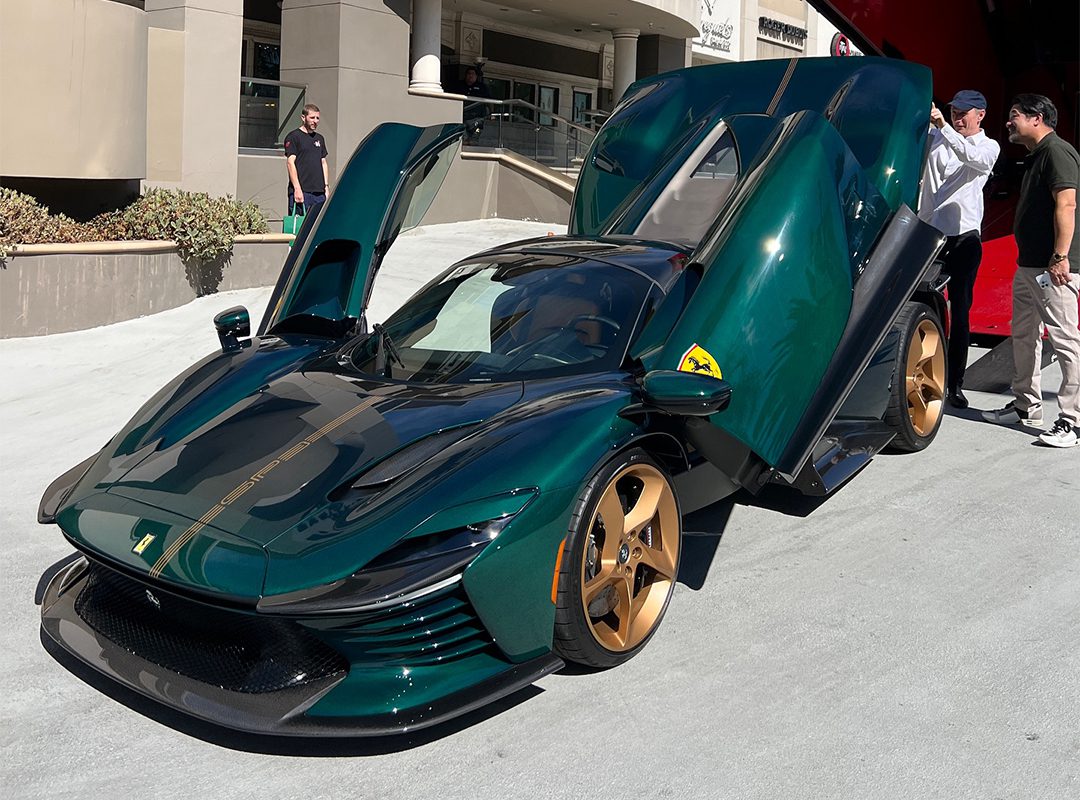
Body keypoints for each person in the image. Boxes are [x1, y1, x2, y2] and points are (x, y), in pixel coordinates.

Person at [982, 94, 1080, 448]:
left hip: (1053, 267)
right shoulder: (1035, 156)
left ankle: (1072, 420)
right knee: (1023, 336)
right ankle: (1026, 405)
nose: (1009, 122)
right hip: (1030, 266)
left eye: (1014, 116)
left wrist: (1060, 257)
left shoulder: (1057, 152)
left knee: (1065, 340)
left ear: (1037, 118)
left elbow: (1067, 203)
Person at [918, 89, 1001, 409]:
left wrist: (944, 128)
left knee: (960, 311)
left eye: (965, 111)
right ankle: (924, 374)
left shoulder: (987, 147)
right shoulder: (937, 137)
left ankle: (955, 383)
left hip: (964, 236)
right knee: (925, 305)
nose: (957, 116)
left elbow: (971, 158)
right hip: (930, 233)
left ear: (980, 115)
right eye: (954, 110)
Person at [284, 104, 329, 217]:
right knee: (301, 228)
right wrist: (297, 189)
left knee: (317, 227)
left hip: (319, 193)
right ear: (303, 118)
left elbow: (323, 162)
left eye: (317, 118)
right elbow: (290, 163)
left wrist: (326, 187)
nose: (315, 121)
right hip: (302, 192)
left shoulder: (320, 138)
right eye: (312, 118)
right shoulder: (294, 137)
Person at [461, 66, 492, 144]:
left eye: (473, 74)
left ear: (476, 76)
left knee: (475, 136)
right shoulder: (459, 85)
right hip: (462, 116)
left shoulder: (482, 87)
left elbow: (489, 100)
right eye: (469, 73)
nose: (470, 76)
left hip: (477, 117)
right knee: (463, 140)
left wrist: (491, 113)